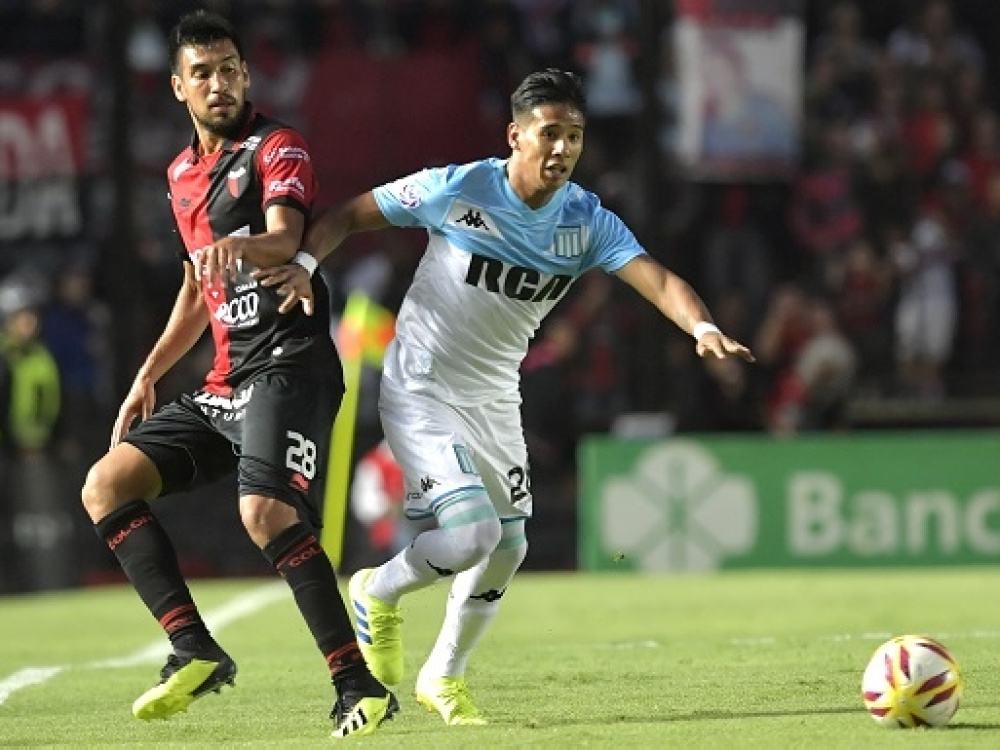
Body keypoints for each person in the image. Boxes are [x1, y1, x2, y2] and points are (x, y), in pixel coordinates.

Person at [254, 68, 754, 725]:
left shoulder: (585, 220)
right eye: (550, 133)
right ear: (516, 136)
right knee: (473, 535)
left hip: (494, 396)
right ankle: (378, 589)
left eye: (575, 136)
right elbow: (350, 215)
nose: (563, 148)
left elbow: (658, 280)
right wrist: (306, 265)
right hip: (422, 385)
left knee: (510, 546)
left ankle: (444, 676)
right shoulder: (458, 188)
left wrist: (703, 327)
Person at [78, 11, 396, 739]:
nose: (218, 83)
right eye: (202, 73)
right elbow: (198, 291)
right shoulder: (180, 175)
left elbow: (285, 236)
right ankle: (194, 648)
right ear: (178, 87)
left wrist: (239, 246)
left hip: (291, 364)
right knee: (105, 485)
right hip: (226, 381)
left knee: (265, 514)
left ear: (247, 75)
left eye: (229, 69)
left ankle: (357, 684)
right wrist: (148, 375)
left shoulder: (278, 146)